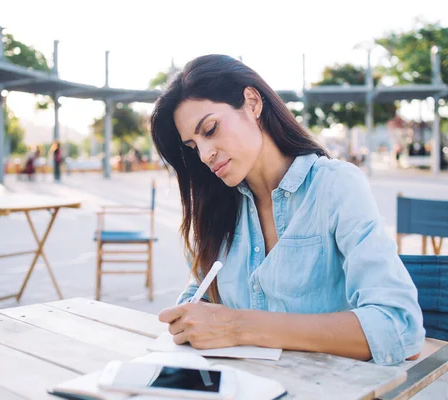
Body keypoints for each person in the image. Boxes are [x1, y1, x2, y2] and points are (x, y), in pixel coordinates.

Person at [150, 54, 424, 365]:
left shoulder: (335, 187)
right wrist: (188, 322)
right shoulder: (215, 210)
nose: (205, 154)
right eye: (192, 146)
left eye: (210, 129)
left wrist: (239, 327)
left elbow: (400, 329)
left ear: (252, 103)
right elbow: (196, 301)